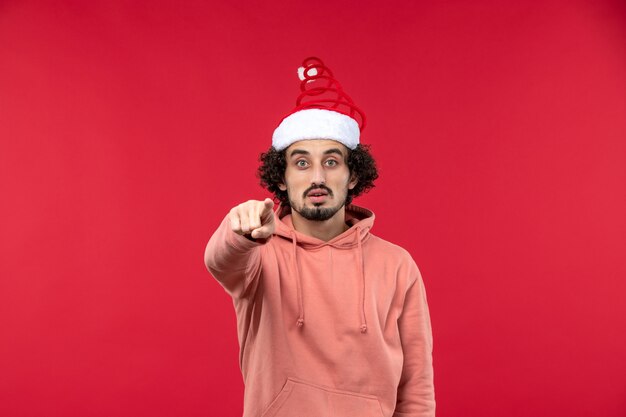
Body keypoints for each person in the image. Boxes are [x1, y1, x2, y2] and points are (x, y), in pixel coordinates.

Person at [204, 57, 436, 417]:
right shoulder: (259, 255)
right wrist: (241, 232)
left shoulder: (397, 264)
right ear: (281, 178)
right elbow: (221, 259)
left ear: (353, 175)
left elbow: (416, 386)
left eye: (331, 162)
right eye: (301, 162)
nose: (317, 177)